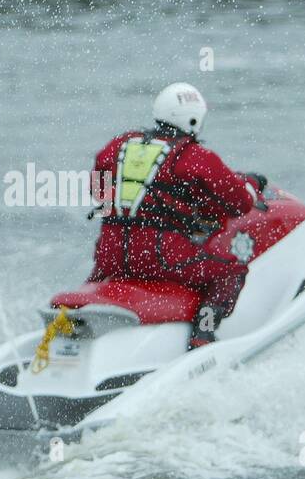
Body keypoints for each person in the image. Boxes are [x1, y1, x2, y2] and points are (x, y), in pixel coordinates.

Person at [88, 82, 263, 349]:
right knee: (229, 270)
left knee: (101, 274)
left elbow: (99, 192)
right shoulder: (193, 156)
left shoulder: (118, 145)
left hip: (110, 257)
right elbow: (238, 202)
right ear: (194, 118)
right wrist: (251, 184)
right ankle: (203, 333)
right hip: (160, 256)